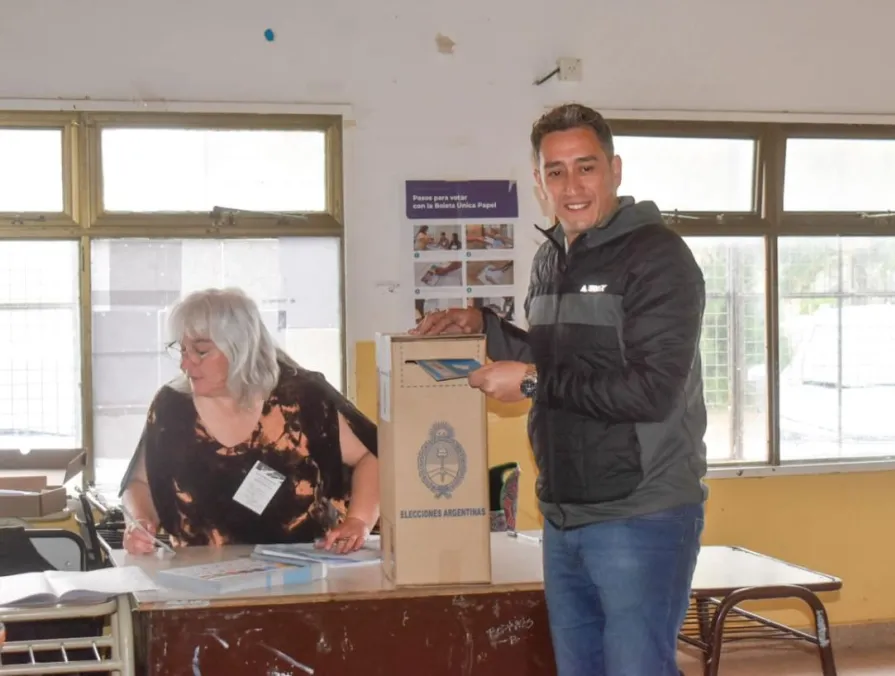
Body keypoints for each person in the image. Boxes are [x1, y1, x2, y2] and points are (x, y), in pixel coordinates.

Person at [412, 102, 708, 676]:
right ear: (538, 181)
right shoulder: (551, 258)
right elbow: (555, 362)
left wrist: (529, 380)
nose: (571, 186)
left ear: (615, 171)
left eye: (586, 167)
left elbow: (649, 391)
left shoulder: (659, 257)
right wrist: (485, 326)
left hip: (640, 513)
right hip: (564, 510)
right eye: (555, 171)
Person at [120, 288, 379, 556]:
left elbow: (372, 456)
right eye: (182, 350)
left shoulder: (303, 399)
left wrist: (358, 521)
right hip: (199, 579)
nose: (186, 363)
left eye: (200, 351)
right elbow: (140, 483)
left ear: (240, 348)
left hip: (301, 574)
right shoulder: (171, 407)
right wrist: (139, 522)